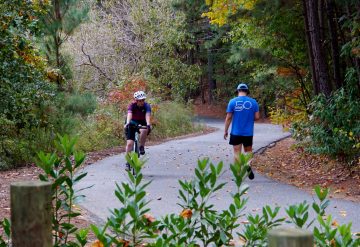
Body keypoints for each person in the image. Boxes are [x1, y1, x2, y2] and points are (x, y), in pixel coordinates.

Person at [224, 83, 260, 179]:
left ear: (238, 91)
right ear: (247, 91)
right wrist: (248, 117)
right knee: (248, 151)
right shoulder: (253, 102)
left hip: (236, 132)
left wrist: (225, 131)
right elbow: (257, 117)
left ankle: (238, 175)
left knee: (237, 153)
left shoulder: (232, 102)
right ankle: (248, 165)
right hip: (248, 133)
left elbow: (228, 118)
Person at [124, 90, 151, 170]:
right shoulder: (132, 105)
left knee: (144, 130)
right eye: (140, 100)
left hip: (142, 121)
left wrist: (148, 124)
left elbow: (147, 115)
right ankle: (128, 162)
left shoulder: (147, 106)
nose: (142, 102)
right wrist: (127, 123)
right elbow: (129, 114)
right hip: (132, 122)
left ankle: (141, 146)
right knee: (129, 144)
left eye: (143, 100)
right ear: (136, 100)